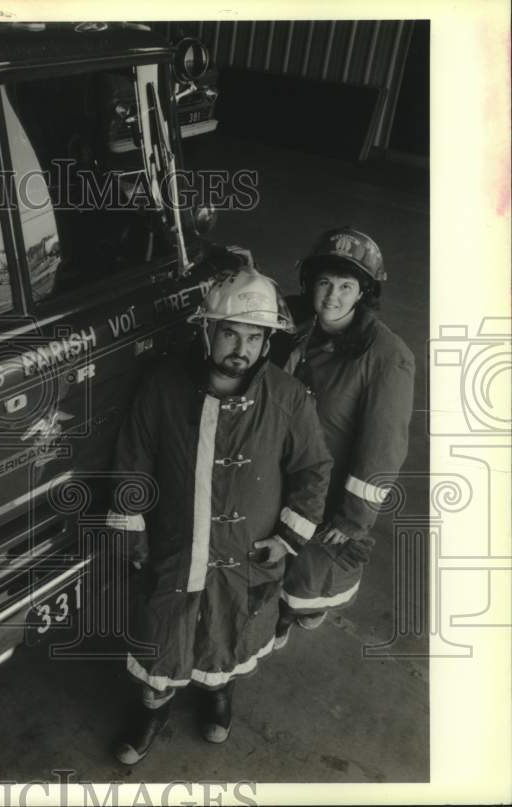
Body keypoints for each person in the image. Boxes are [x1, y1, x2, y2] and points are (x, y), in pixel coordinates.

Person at [107, 255, 332, 764]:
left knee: (230, 630)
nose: (242, 350)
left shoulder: (288, 397)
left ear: (267, 342)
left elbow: (314, 469)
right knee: (165, 635)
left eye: (255, 338)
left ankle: (219, 692)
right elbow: (132, 462)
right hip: (176, 547)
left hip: (246, 550)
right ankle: (153, 706)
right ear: (208, 331)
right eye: (232, 334)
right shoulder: (163, 385)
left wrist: (288, 537)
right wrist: (133, 534)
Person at [273, 227, 415, 648]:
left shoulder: (387, 357)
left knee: (311, 568)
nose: (331, 296)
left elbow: (383, 446)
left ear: (363, 293)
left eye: (345, 286)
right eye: (324, 283)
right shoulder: (294, 324)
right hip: (283, 469)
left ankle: (293, 611)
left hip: (330, 489)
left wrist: (354, 517)